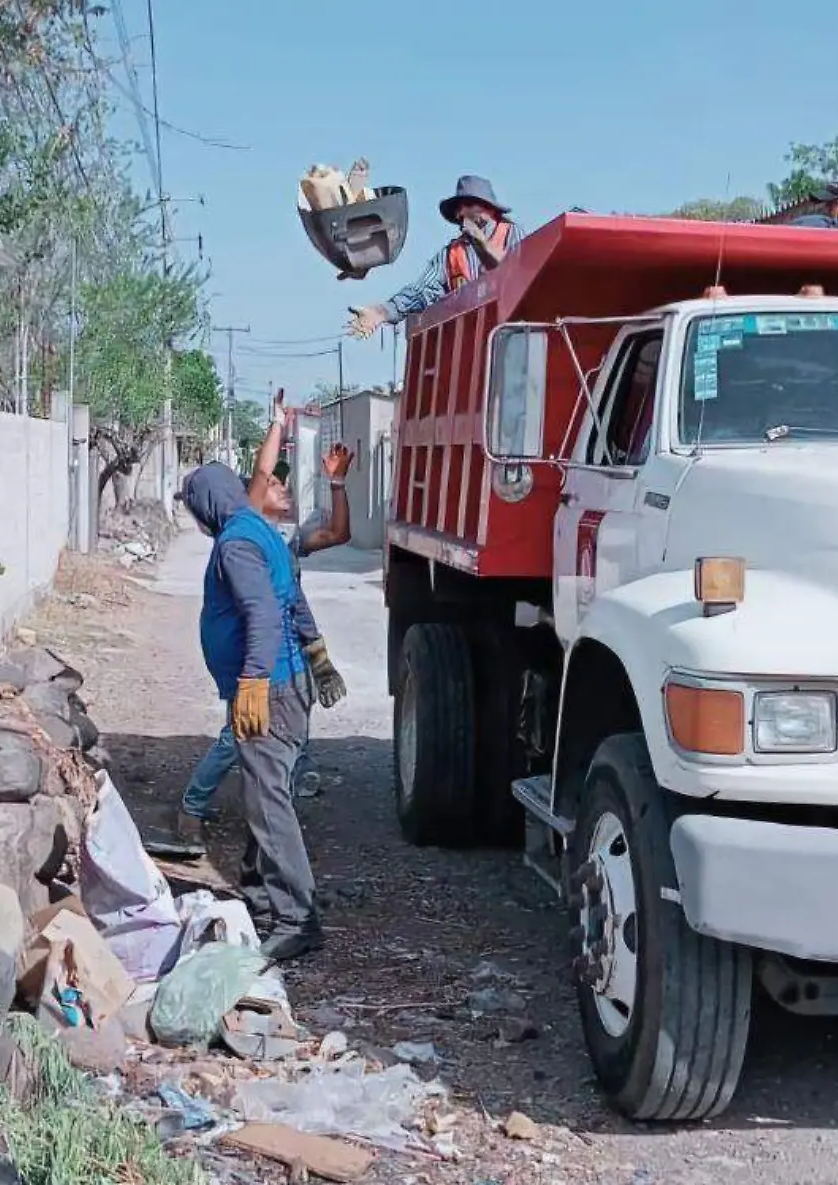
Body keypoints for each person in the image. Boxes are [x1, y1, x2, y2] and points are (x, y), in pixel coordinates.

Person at [179, 462, 347, 961]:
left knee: (269, 802)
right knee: (264, 794)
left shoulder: (237, 542)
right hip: (286, 686)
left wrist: (252, 681)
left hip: (269, 690)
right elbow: (293, 600)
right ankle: (258, 893)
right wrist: (319, 660)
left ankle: (298, 918)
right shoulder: (260, 530)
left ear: (206, 504)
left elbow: (265, 614)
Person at [169, 398, 354, 850]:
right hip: (257, 661)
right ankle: (193, 807)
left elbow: (338, 535)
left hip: (287, 661)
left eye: (282, 483)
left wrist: (336, 481)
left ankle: (273, 823)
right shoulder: (245, 529)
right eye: (274, 483)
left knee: (288, 743)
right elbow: (260, 471)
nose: (281, 487)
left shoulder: (285, 539)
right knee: (237, 737)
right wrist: (276, 423)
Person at [346, 175, 525, 338]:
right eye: (457, 208)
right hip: (471, 343)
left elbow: (518, 276)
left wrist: (481, 243)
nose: (460, 214)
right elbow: (421, 291)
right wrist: (383, 312)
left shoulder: (512, 234)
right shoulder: (450, 254)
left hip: (513, 337)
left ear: (488, 208)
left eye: (467, 205)